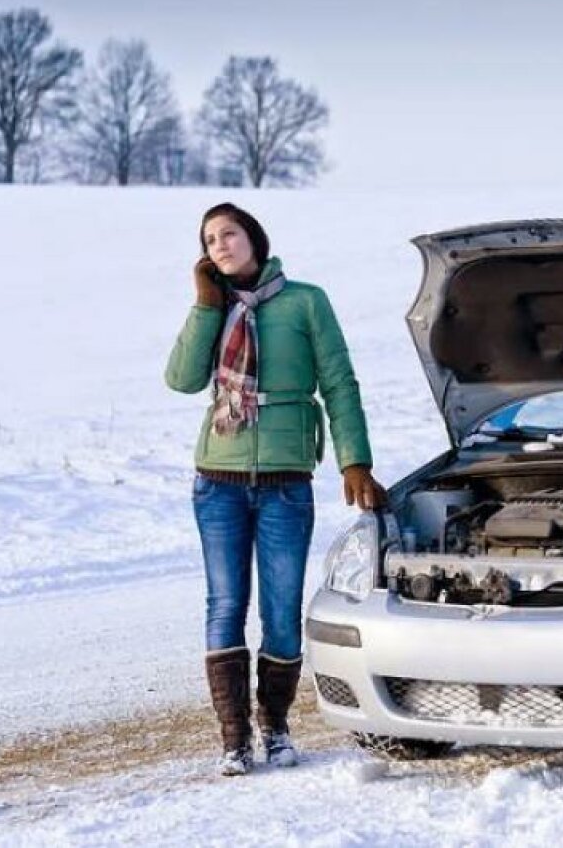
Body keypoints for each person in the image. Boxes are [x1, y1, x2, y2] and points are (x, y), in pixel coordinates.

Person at [165, 203, 385, 776]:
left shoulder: (305, 301)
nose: (220, 245)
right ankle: (234, 739)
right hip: (217, 480)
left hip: (286, 482)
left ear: (254, 237)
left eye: (229, 233)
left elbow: (339, 381)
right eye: (210, 239)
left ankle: (278, 727)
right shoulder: (216, 308)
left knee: (282, 611)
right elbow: (184, 379)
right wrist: (205, 305)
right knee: (224, 606)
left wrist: (354, 460)